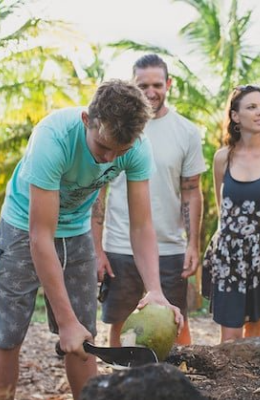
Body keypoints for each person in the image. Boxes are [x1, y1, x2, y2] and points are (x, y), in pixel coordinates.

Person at [0, 79, 183, 400]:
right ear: (86, 120)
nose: (109, 160)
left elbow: (142, 225)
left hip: (77, 232)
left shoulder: (135, 147)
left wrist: (155, 290)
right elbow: (40, 236)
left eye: (119, 152)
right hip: (23, 228)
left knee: (83, 337)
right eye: (103, 148)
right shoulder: (53, 139)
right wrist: (64, 322)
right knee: (7, 336)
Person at [92, 54, 206, 347]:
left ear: (168, 84)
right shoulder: (116, 128)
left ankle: (176, 387)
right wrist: (97, 248)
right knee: (119, 324)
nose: (151, 91)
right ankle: (121, 386)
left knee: (175, 323)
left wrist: (193, 245)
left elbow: (192, 190)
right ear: (133, 85)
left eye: (158, 84)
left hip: (169, 246)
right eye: (143, 85)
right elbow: (98, 189)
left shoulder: (187, 132)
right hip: (119, 245)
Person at [201, 84, 260, 343]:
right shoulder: (223, 158)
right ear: (235, 116)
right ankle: (226, 384)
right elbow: (224, 209)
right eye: (251, 107)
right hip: (229, 256)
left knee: (253, 337)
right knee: (229, 338)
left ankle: (248, 385)